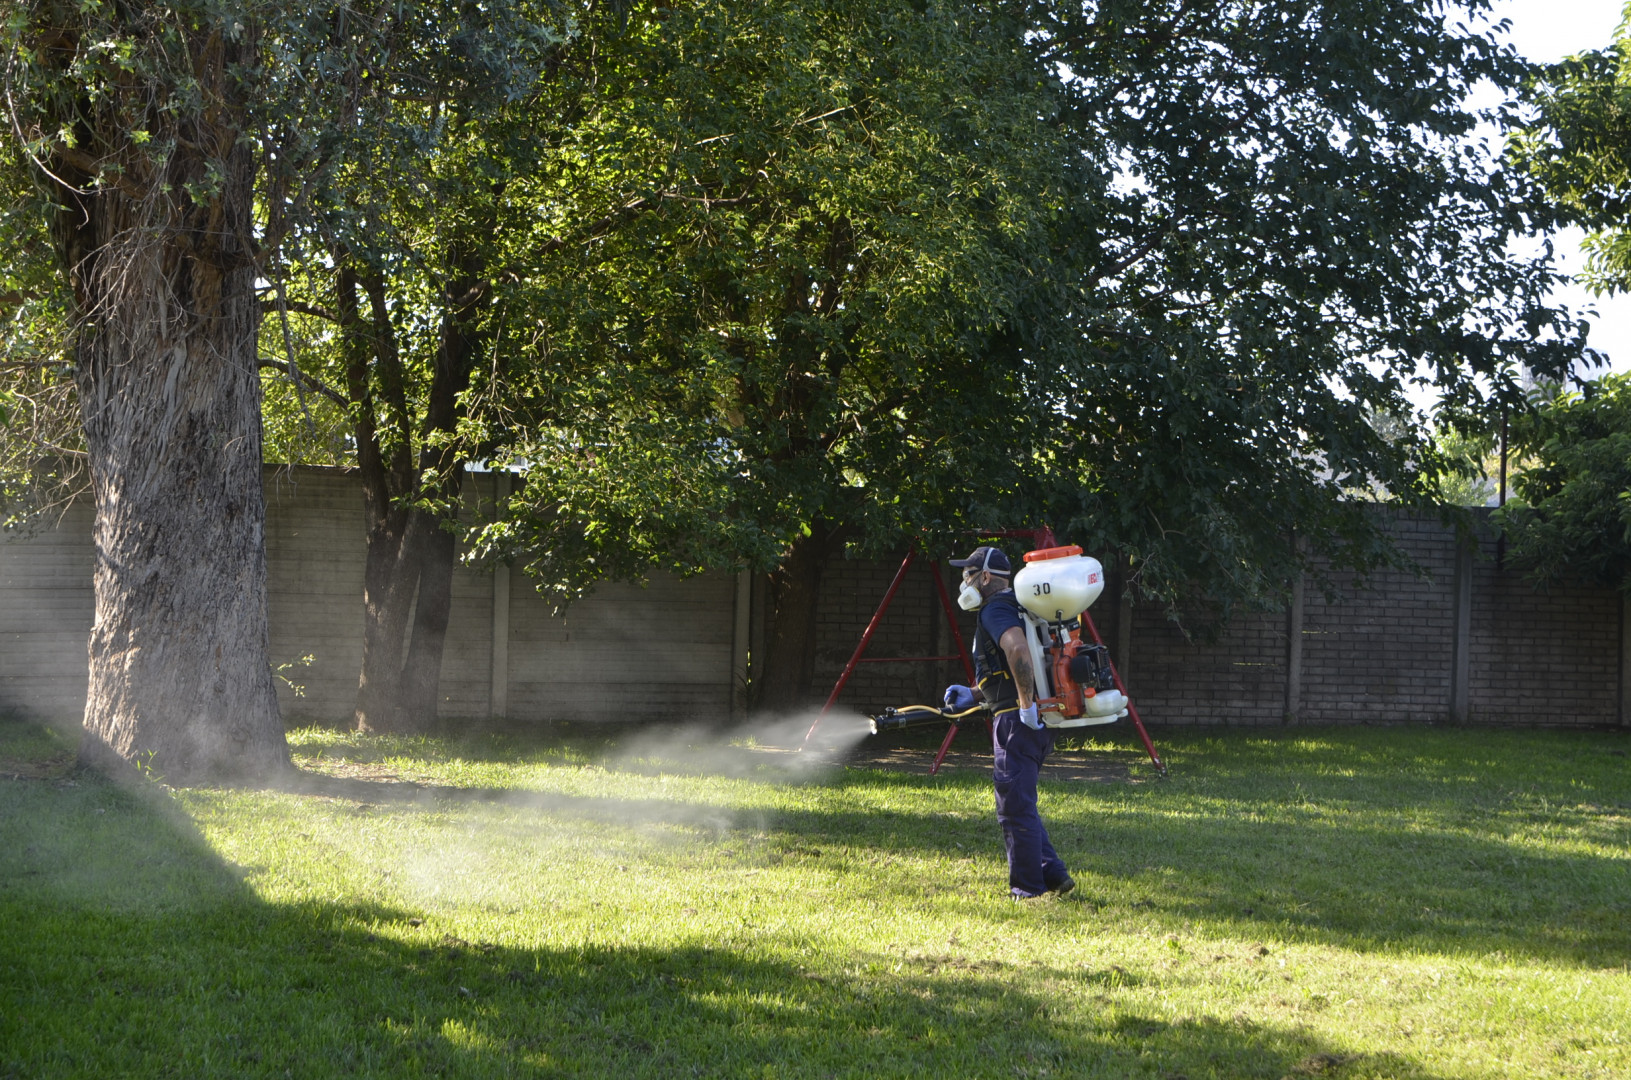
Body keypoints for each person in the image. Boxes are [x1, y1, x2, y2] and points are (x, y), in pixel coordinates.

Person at [944, 545, 1075, 900]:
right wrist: (975, 693)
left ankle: (1027, 889)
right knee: (1020, 801)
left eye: (968, 574)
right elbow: (1007, 665)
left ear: (985, 577)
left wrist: (1025, 705)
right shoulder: (1017, 606)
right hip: (1025, 718)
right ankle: (1053, 873)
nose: (964, 582)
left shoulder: (995, 609)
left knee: (1014, 806)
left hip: (1017, 721)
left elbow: (1017, 651)